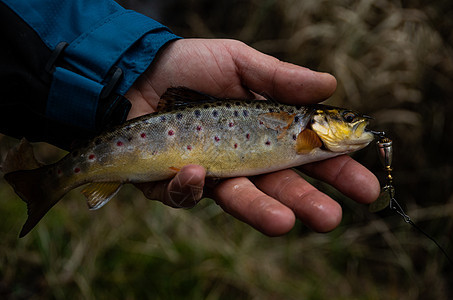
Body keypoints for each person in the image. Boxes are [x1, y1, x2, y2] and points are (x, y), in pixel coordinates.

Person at [0, 0, 380, 236]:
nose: (356, 125)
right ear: (320, 122)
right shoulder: (304, 132)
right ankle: (49, 182)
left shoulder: (308, 136)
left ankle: (50, 181)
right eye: (347, 118)